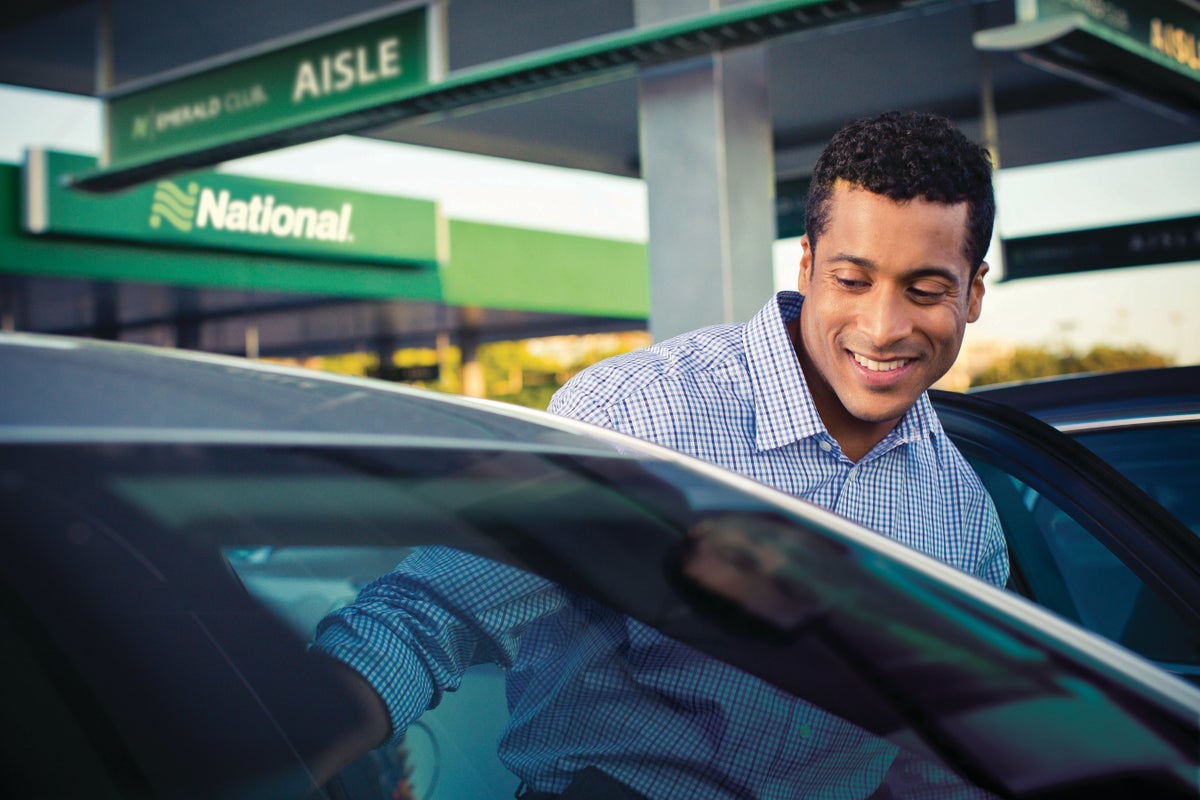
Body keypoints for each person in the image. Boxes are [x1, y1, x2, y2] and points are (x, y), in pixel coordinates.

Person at [312, 110, 1007, 799]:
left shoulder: (964, 519)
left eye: (925, 290)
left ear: (973, 293)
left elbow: (940, 768)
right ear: (807, 265)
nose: (882, 329)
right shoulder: (637, 416)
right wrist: (269, 764)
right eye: (852, 281)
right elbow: (428, 615)